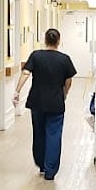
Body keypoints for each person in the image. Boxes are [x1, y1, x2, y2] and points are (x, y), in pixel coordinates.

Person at [13, 28, 77, 180]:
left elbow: (25, 73)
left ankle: (41, 164)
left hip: (37, 102)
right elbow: (68, 81)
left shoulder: (36, 56)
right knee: (54, 135)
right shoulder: (64, 59)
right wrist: (64, 94)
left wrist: (17, 91)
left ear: (45, 40)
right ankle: (50, 171)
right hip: (56, 102)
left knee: (39, 133)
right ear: (58, 41)